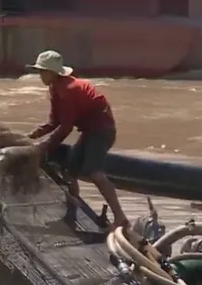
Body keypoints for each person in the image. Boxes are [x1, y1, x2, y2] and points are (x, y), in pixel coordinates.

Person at [25, 50, 129, 229]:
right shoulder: (55, 89)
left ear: (54, 73)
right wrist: (30, 136)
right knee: (70, 171)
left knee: (95, 173)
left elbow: (65, 127)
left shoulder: (68, 90)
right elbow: (54, 122)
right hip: (89, 131)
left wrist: (44, 147)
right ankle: (71, 213)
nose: (40, 75)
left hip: (102, 130)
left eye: (43, 71)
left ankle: (120, 217)